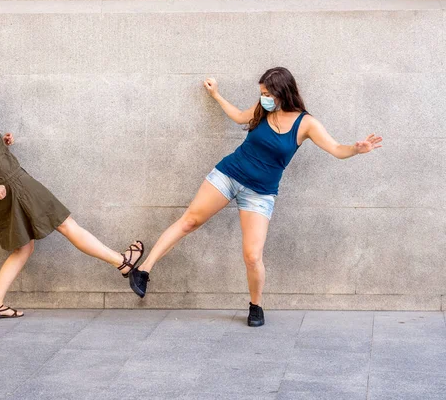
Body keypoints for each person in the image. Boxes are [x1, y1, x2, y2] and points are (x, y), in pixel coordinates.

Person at [128, 67, 382, 327]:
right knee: (189, 221)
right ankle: (144, 270)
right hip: (229, 174)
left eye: (267, 93)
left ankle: (256, 306)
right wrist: (216, 95)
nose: (263, 98)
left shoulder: (306, 123)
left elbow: (337, 149)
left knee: (252, 256)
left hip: (260, 193)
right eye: (261, 93)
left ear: (283, 92)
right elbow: (239, 116)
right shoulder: (263, 109)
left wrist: (355, 149)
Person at [0, 72, 144, 321]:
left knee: (24, 248)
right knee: (65, 223)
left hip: (8, 188)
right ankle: (122, 262)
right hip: (15, 185)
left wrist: (1, 144)